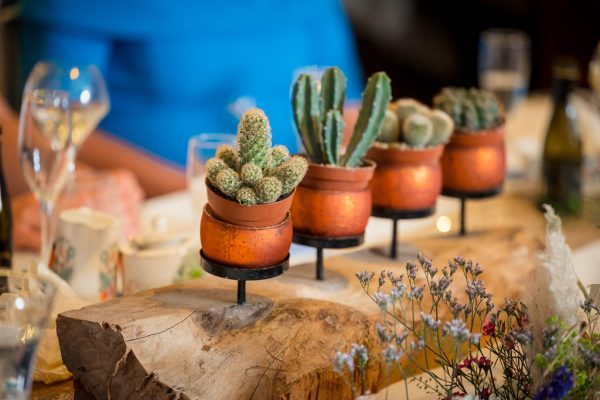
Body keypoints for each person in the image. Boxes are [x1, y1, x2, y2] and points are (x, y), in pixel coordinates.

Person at [3, 0, 363, 250]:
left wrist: (323, 195)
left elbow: (346, 108)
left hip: (290, 219)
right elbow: (47, 126)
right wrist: (210, 197)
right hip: (151, 220)